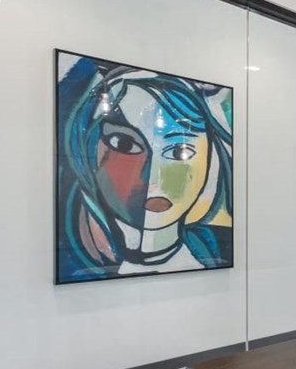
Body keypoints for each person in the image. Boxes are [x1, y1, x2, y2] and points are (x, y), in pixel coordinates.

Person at [56, 54, 233, 283]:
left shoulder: (217, 246)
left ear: (211, 157)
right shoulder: (72, 264)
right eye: (125, 145)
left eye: (179, 152)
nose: (154, 175)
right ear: (86, 149)